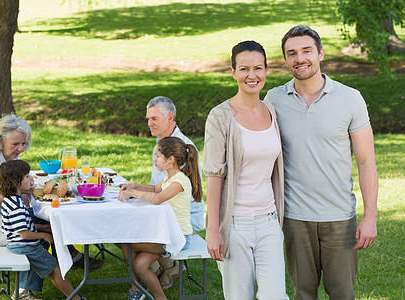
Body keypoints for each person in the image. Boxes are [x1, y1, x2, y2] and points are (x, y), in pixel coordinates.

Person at [264, 25, 378, 299]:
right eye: (292, 53)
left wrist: (370, 216)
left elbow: (366, 161)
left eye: (306, 51)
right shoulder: (273, 100)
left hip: (339, 217)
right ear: (285, 60)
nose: (299, 58)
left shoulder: (351, 98)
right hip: (294, 217)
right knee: (303, 293)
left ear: (320, 54)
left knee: (342, 293)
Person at [0, 114, 99, 300]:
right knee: (42, 231)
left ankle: (68, 257)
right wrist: (18, 190)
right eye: (16, 144)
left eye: (23, 144)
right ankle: (25, 289)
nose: (20, 149)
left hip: (4, 216)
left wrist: (25, 190)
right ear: (1, 140)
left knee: (48, 223)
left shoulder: (4, 156)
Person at [203, 40, 288, 300]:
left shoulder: (271, 110)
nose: (252, 75)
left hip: (269, 222)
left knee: (275, 296)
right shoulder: (220, 116)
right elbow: (215, 176)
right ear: (233, 72)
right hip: (235, 224)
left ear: (266, 70)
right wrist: (213, 230)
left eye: (258, 68)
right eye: (244, 69)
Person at [118, 136, 202, 300]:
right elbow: (155, 189)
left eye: (157, 155)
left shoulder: (179, 181)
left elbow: (157, 199)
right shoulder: (169, 177)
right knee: (139, 264)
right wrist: (134, 186)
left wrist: (132, 194)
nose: (154, 159)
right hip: (164, 233)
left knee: (127, 244)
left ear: (170, 159)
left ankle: (136, 289)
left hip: (177, 236)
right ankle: (156, 296)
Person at [0, 159, 88, 300]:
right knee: (55, 269)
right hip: (25, 247)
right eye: (27, 177)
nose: (31, 178)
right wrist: (42, 235)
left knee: (52, 260)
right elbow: (24, 234)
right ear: (16, 182)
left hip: (19, 244)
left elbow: (22, 225)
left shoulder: (11, 199)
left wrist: (41, 227)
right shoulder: (16, 206)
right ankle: (76, 299)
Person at [146, 96, 205, 288]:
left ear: (170, 117)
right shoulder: (160, 144)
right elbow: (158, 187)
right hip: (164, 211)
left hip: (184, 220)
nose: (149, 123)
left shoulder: (182, 149)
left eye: (154, 118)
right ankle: (153, 268)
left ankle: (169, 266)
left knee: (135, 232)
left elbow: (178, 196)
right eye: (148, 119)